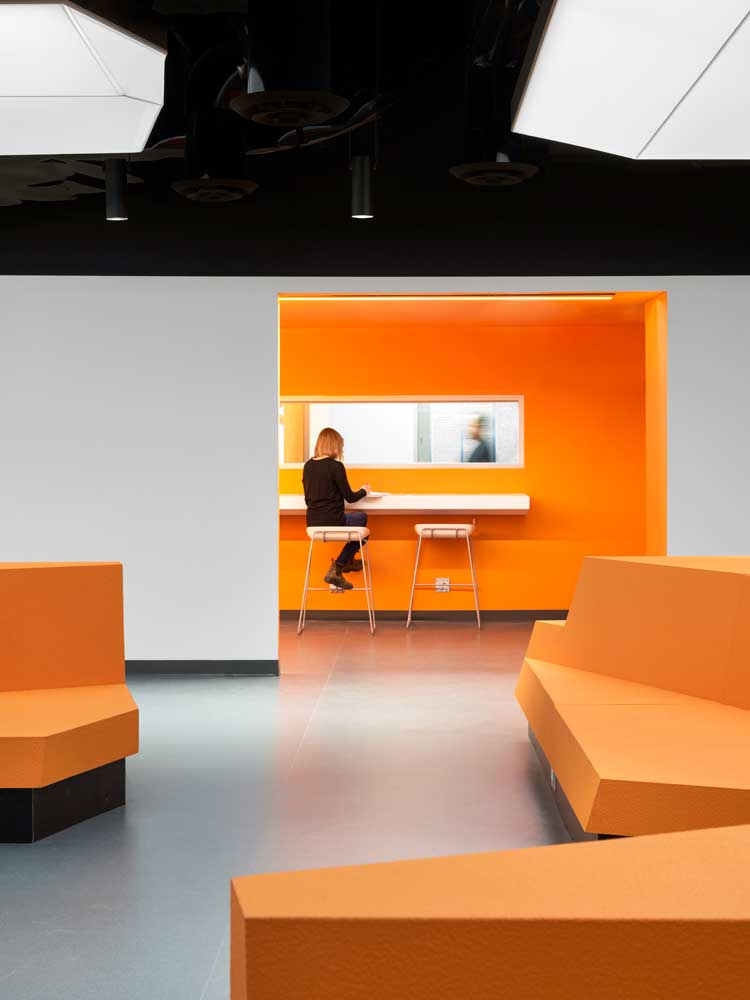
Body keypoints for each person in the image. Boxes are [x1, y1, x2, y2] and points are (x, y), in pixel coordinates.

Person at [303, 427, 370, 591]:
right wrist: (364, 491)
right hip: (334, 520)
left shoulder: (308, 466)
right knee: (361, 519)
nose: (341, 450)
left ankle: (347, 563)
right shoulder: (336, 466)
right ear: (335, 445)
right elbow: (350, 497)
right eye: (340, 446)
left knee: (359, 527)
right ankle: (340, 565)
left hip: (312, 524)